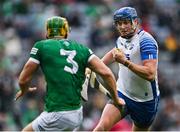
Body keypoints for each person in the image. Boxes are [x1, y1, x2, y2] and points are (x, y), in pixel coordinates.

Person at [15, 16, 124, 131]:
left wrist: (24, 89)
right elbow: (107, 73)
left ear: (47, 32)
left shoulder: (41, 46)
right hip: (77, 114)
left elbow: (23, 79)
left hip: (57, 113)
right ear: (66, 31)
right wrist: (116, 98)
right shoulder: (83, 49)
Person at [93, 7, 160, 131]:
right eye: (119, 23)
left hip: (145, 101)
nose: (122, 27)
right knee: (100, 128)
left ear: (135, 22)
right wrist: (95, 65)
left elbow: (150, 73)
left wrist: (125, 62)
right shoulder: (121, 39)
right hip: (122, 93)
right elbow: (114, 52)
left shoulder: (146, 41)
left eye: (125, 22)